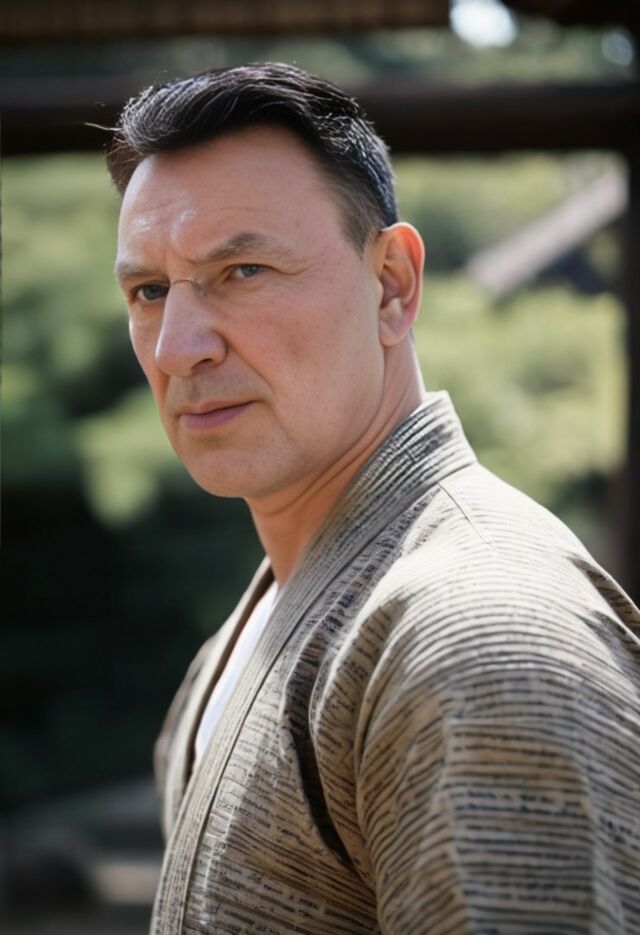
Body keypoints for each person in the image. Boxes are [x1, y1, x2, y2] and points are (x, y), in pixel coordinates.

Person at [108, 63, 640, 934]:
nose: (177, 348)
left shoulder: (477, 633)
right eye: (150, 291)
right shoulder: (250, 627)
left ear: (391, 284)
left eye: (242, 269)